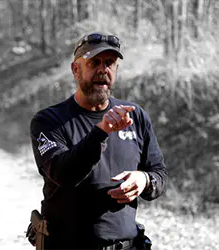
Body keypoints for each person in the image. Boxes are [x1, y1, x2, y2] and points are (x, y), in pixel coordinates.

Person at [29, 32, 168, 250]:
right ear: (76, 69)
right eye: (94, 62)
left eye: (109, 63)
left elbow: (159, 173)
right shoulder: (49, 121)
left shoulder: (135, 116)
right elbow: (63, 173)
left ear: (116, 70)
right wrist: (101, 131)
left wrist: (144, 180)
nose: (102, 70)